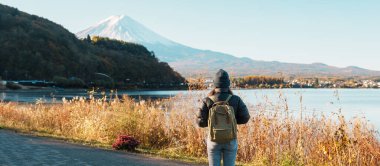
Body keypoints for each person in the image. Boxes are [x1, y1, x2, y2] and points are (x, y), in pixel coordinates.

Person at [197, 69, 251, 166]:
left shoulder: (207, 100)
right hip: (230, 139)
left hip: (213, 140)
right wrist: (232, 121)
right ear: (228, 84)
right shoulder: (236, 99)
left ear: (214, 84)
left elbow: (200, 122)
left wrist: (212, 122)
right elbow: (245, 118)